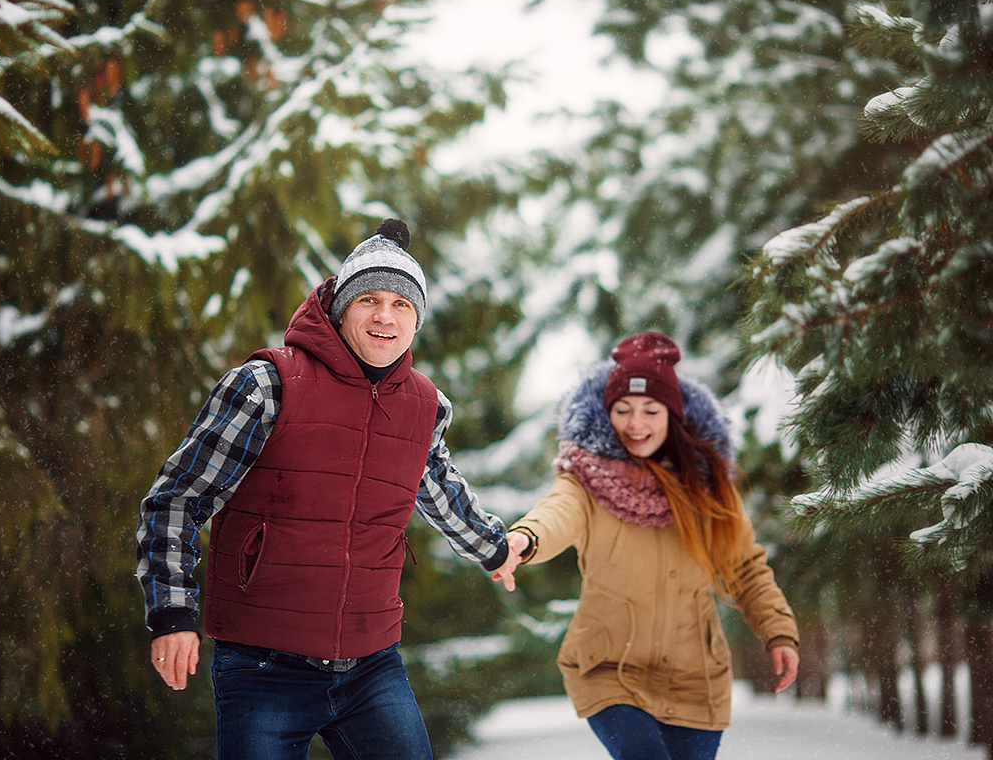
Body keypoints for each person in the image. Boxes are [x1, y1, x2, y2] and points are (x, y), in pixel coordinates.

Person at [135, 218, 522, 760]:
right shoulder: (268, 385)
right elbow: (177, 500)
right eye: (370, 300)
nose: (385, 315)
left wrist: (495, 548)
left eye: (402, 304)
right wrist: (173, 613)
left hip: (372, 664)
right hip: (263, 662)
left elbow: (437, 488)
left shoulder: (424, 406)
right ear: (341, 308)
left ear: (417, 322)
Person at [495, 332, 799, 760]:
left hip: (695, 680)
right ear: (607, 413)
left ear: (672, 416)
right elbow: (557, 514)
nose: (635, 423)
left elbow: (745, 570)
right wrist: (523, 540)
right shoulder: (585, 480)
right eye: (623, 410)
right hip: (609, 669)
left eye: (650, 410)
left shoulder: (707, 488)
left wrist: (778, 631)